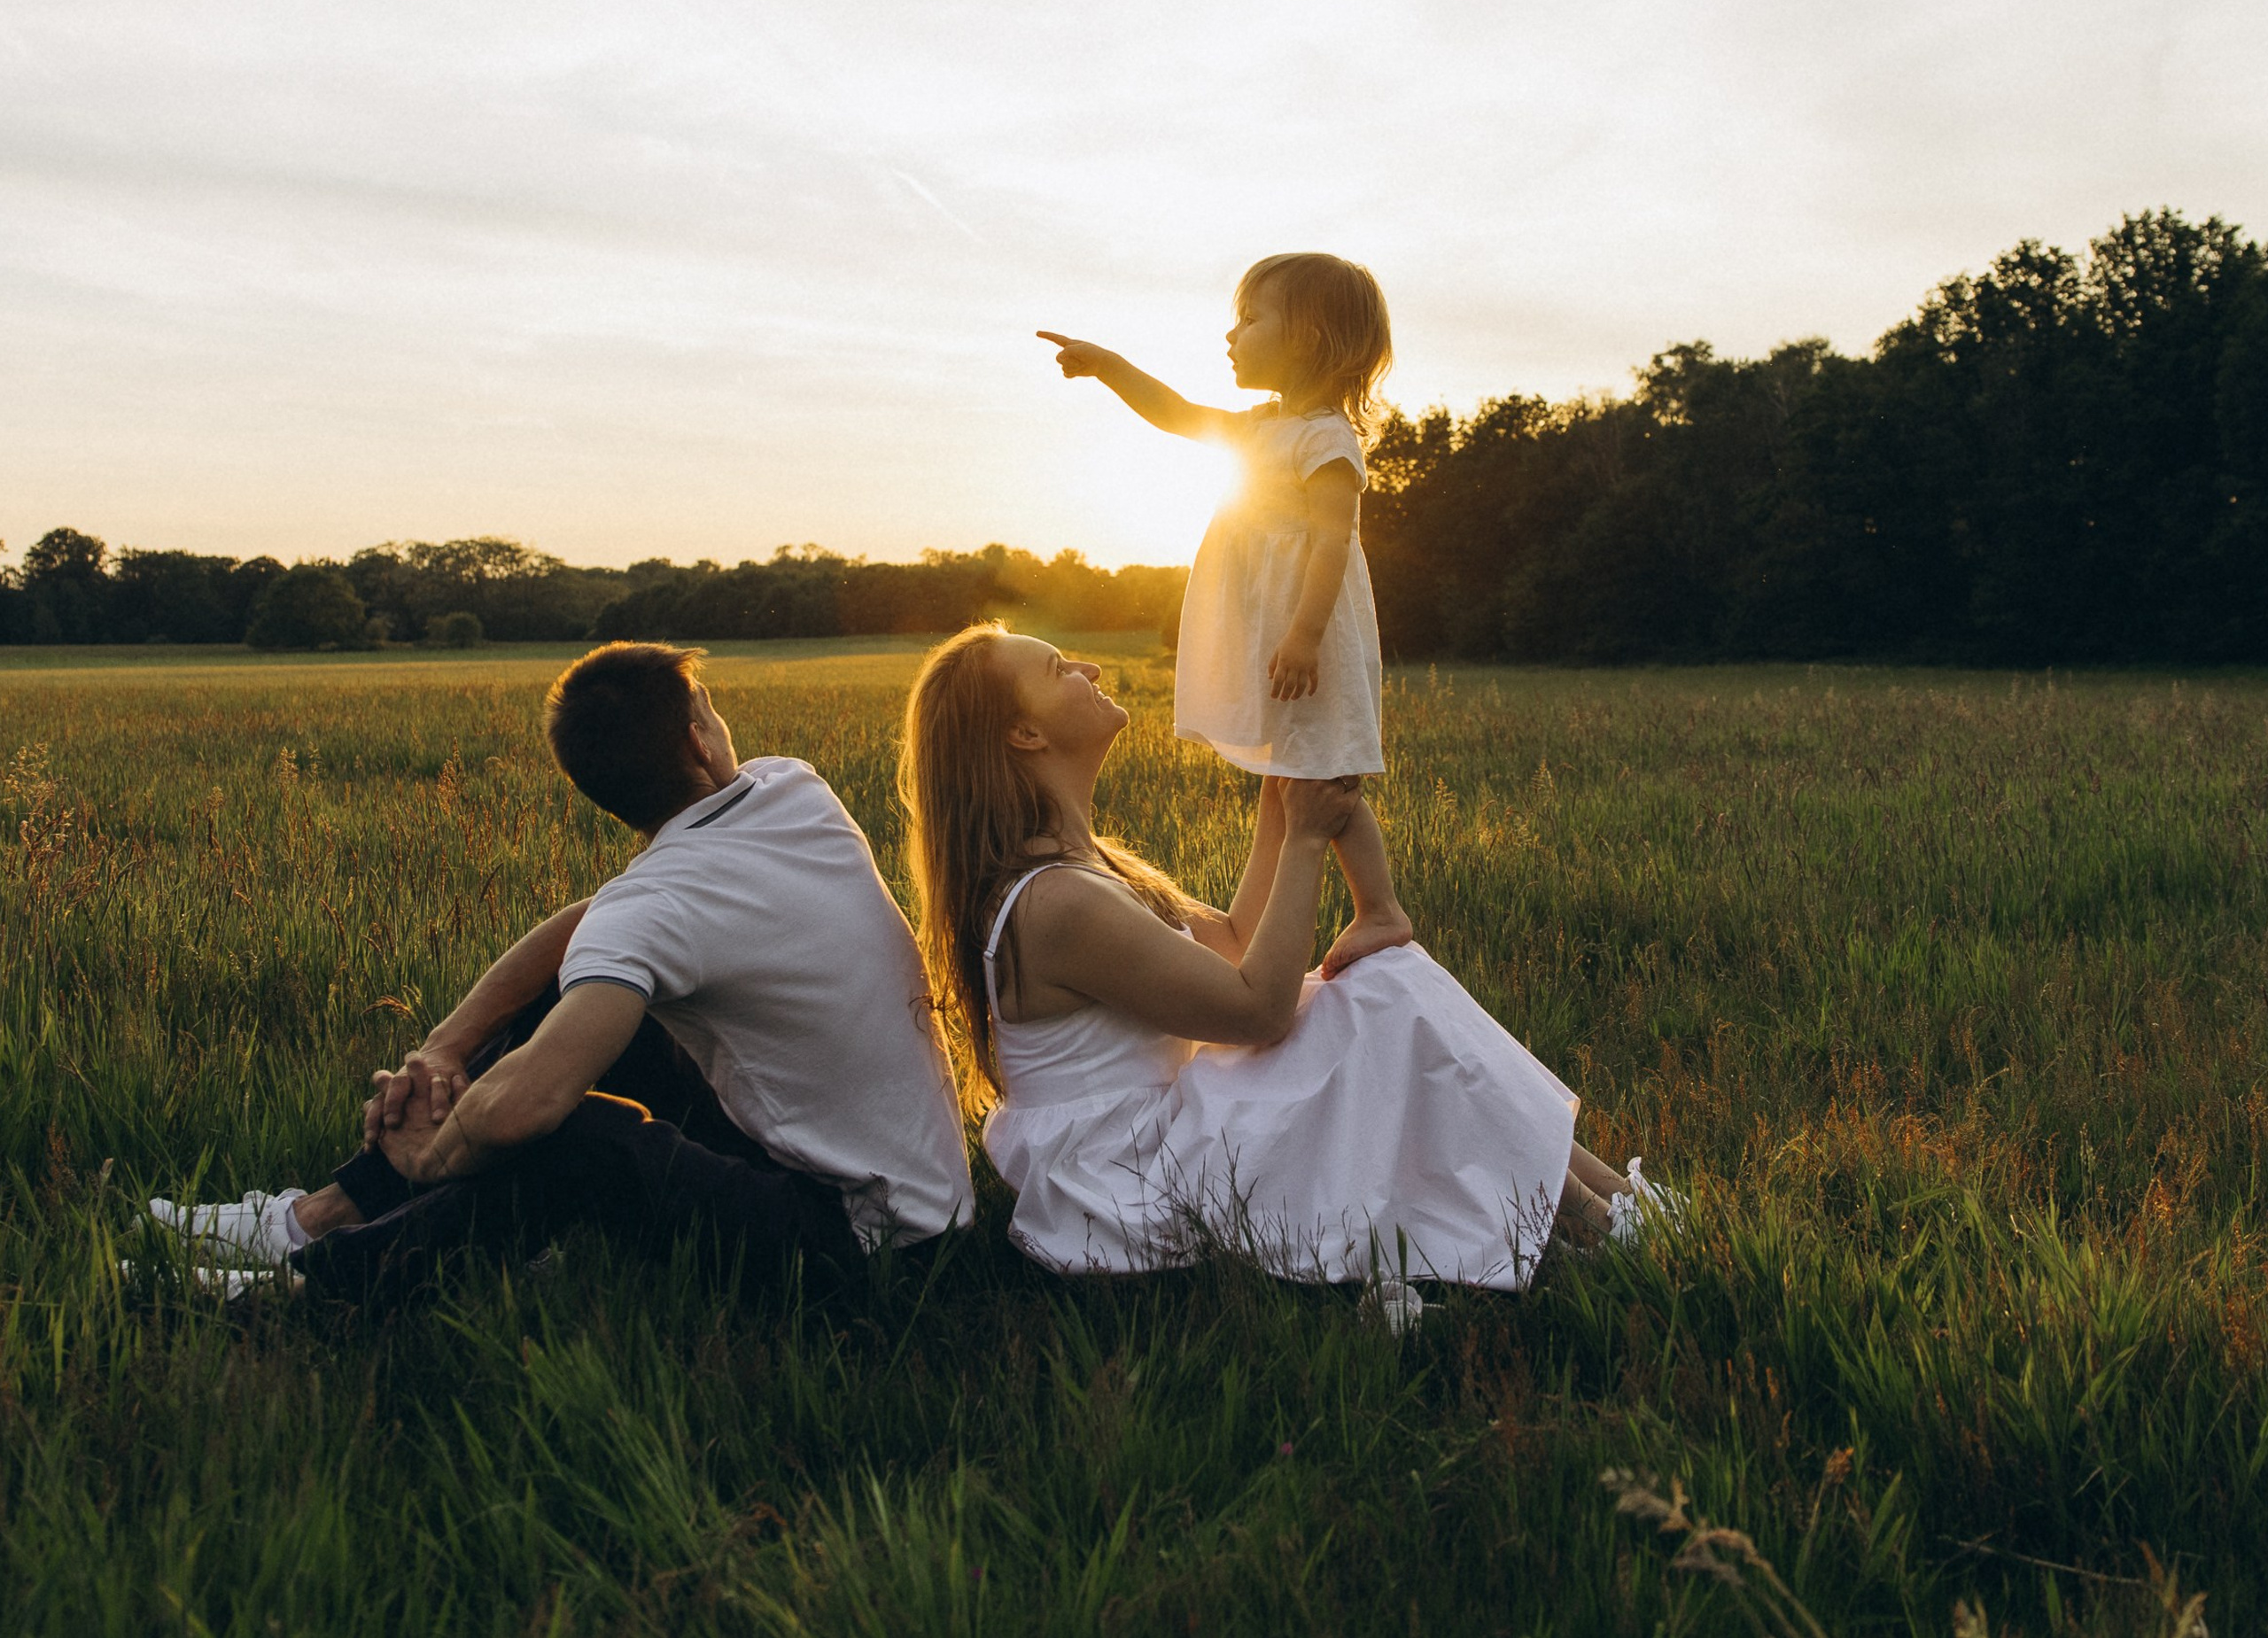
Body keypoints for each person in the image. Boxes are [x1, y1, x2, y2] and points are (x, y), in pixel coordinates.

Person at [149, 641, 974, 1297]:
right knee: (583, 1023)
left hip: (874, 1244)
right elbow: (589, 930)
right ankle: (322, 1218)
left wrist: (431, 1156)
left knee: (581, 1138)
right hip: (908, 1206)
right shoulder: (791, 793)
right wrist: (443, 1049)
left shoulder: (659, 900)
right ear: (698, 739)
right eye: (712, 713)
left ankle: (313, 1283)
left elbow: (529, 1105)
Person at [902, 625, 1675, 1309]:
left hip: (1162, 1133)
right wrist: (1306, 840)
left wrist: (1281, 791)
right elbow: (1259, 1008)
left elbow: (1238, 941)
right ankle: (1597, 1220)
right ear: (1024, 735)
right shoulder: (1056, 904)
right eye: (1059, 668)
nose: (1091, 669)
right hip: (1126, 1183)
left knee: (1378, 989)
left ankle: (1612, 1206)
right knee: (1374, 996)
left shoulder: (1085, 869)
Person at [1038, 251, 1412, 980]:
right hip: (1281, 636)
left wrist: (1303, 636)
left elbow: (1336, 542)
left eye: (1250, 318)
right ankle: (1273, 924)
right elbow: (1178, 414)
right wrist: (1109, 365)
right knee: (1293, 774)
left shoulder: (1324, 439)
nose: (1232, 334)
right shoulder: (1262, 427)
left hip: (1311, 633)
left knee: (1322, 770)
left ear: (1307, 335)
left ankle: (1381, 910)